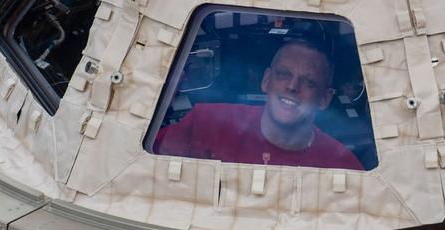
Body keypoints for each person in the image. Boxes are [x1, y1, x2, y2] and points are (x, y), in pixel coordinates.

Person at [153, 40, 362, 169]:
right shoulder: (204, 122)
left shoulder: (342, 164)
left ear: (325, 98)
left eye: (309, 82)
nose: (292, 86)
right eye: (283, 74)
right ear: (265, 81)